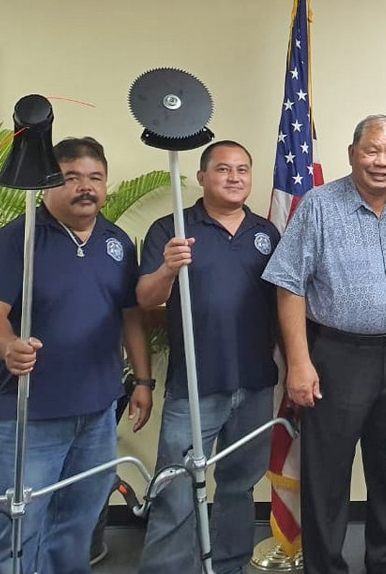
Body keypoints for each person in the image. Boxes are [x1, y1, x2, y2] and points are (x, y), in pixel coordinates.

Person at [262, 114, 386, 574]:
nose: (382, 162)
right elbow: (288, 284)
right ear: (352, 154)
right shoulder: (319, 205)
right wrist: (299, 362)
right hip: (337, 356)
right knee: (327, 475)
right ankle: (325, 567)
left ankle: (385, 565)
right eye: (372, 151)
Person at [0, 137, 153, 573]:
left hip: (99, 413)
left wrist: (142, 381)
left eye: (95, 178)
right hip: (31, 415)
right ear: (50, 183)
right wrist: (8, 345)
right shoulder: (17, 240)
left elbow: (130, 316)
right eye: (71, 178)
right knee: (14, 531)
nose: (85, 187)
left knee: (76, 528)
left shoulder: (117, 241)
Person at [136, 141, 280, 574]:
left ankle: (230, 565)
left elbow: (284, 303)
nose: (234, 177)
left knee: (238, 486)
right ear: (201, 177)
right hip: (196, 385)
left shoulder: (266, 233)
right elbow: (145, 299)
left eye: (242, 169)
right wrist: (167, 269)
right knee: (176, 489)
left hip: (255, 382)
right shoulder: (173, 228)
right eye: (223, 169)